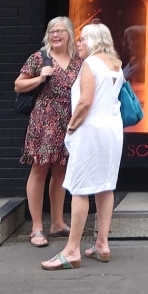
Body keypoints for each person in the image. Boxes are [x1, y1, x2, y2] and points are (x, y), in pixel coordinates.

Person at [42, 22, 124, 270]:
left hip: (90, 131)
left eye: (83, 39)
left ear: (95, 40)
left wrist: (70, 127)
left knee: (80, 188)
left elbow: (85, 102)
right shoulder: (116, 65)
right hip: (112, 130)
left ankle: (71, 250)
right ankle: (102, 244)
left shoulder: (90, 64)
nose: (78, 43)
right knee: (105, 186)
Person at [15, 17, 82, 248]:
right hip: (43, 121)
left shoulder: (79, 61)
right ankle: (36, 227)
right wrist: (41, 77)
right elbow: (18, 85)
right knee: (39, 170)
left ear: (70, 34)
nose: (55, 35)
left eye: (60, 31)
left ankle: (57, 223)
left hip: (69, 122)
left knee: (61, 171)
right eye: (52, 31)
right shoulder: (39, 57)